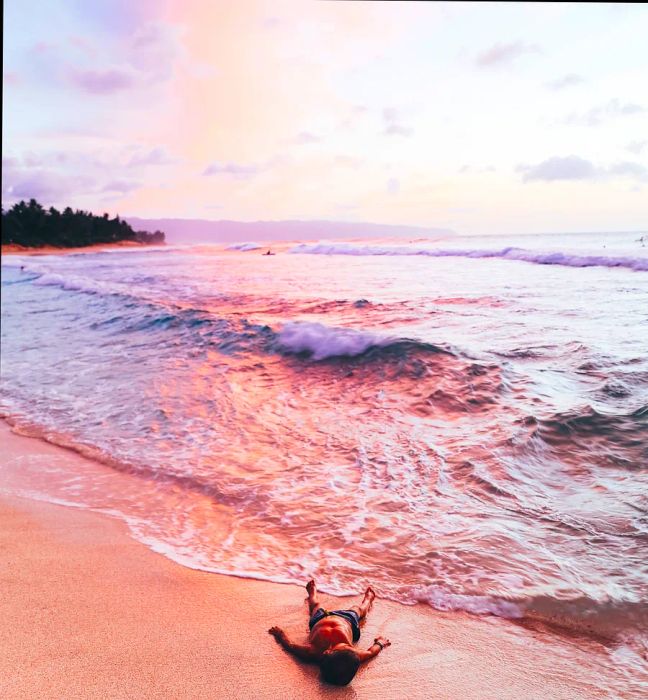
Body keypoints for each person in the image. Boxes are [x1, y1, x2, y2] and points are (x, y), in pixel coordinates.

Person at [268, 579, 391, 686]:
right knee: (358, 610)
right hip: (347, 620)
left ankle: (312, 592)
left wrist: (280, 634)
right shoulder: (353, 654)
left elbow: (290, 646)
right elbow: (370, 652)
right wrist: (380, 643)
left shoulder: (313, 651)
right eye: (333, 651)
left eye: (326, 654)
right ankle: (368, 599)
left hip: (320, 619)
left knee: (315, 605)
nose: (326, 651)